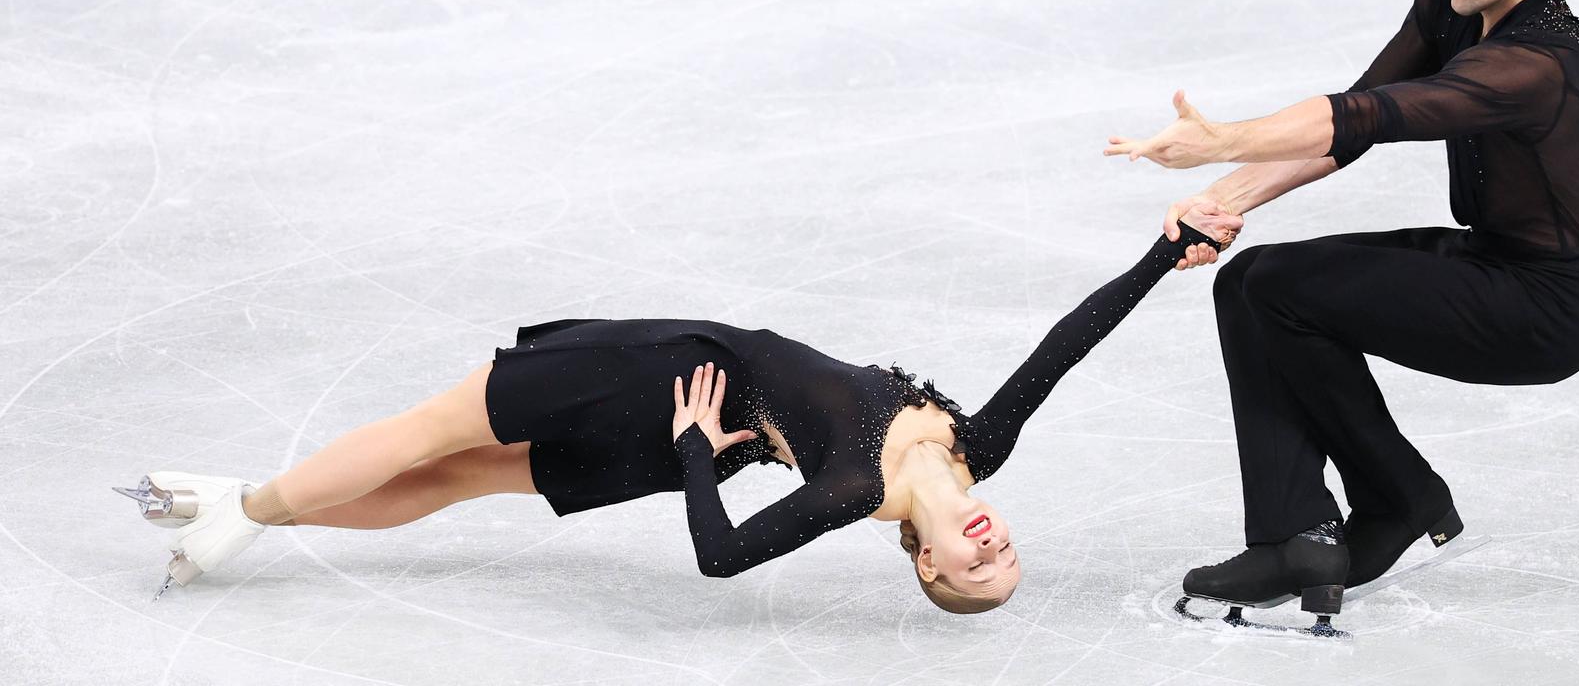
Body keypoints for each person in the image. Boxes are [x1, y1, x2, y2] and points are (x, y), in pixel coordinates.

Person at [117, 212, 1237, 614]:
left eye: (974, 574)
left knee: (436, 439)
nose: (994, 553)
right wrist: (1161, 251)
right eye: (1007, 563)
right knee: (455, 477)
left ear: (928, 566)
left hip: (677, 395)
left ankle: (247, 508)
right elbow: (1070, 344)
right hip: (687, 431)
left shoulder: (856, 491)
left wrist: (699, 452)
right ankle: (252, 514)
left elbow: (720, 561)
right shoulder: (974, 446)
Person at [1105, 0, 1579, 624]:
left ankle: (1398, 494)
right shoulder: (1452, 2)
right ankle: (1295, 534)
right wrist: (1223, 198)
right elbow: (1355, 116)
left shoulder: (1536, 67)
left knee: (1280, 290)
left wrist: (1221, 141)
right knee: (1249, 284)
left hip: (1547, 307)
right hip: (1490, 262)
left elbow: (1363, 118)